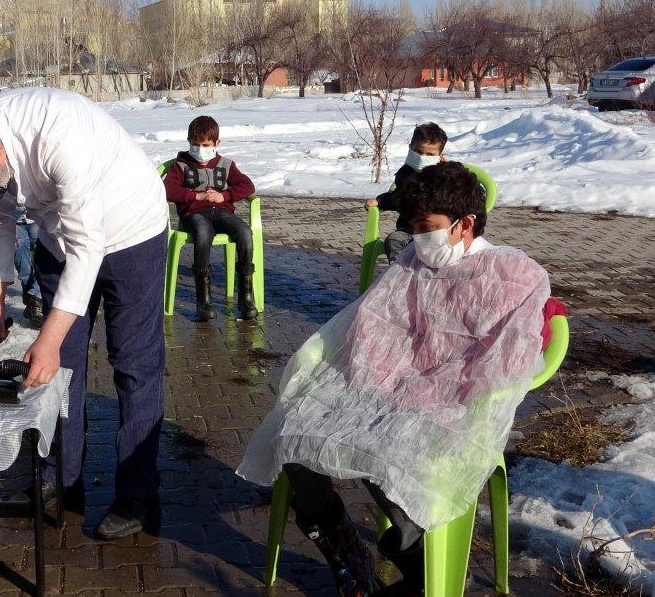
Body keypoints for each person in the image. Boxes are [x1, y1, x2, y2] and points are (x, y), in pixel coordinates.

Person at [239, 162, 564, 596]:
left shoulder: (513, 275)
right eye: (412, 226)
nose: (418, 238)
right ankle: (343, 549)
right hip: (388, 387)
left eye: (426, 227)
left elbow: (505, 359)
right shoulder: (415, 258)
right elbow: (376, 319)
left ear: (465, 224)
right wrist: (374, 377)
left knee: (385, 450)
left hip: (455, 403)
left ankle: (422, 567)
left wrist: (431, 390)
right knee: (294, 431)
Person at [0, 87, 169, 540]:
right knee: (56, 370)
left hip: (130, 231)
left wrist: (49, 337)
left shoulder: (59, 134)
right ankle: (60, 477)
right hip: (60, 237)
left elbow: (89, 247)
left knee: (135, 364)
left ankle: (138, 495)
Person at [162, 115, 257, 320]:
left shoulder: (226, 164)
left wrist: (225, 195)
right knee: (203, 234)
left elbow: (247, 186)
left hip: (221, 212)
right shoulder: (181, 166)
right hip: (193, 215)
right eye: (195, 145)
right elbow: (168, 189)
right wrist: (196, 195)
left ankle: (246, 296)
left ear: (216, 144)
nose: (200, 149)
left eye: (205, 145)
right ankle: (203, 300)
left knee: (245, 232)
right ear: (189, 143)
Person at [365, 122, 448, 263]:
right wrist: (380, 201)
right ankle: (399, 271)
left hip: (437, 233)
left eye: (429, 154)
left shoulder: (446, 176)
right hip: (408, 233)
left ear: (440, 155)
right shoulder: (405, 173)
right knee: (393, 240)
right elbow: (398, 196)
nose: (422, 157)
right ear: (410, 148)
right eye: (418, 151)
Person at [14, 206, 44, 327]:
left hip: (38, 217)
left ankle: (36, 298)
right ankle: (32, 299)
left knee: (45, 254)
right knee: (18, 252)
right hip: (13, 220)